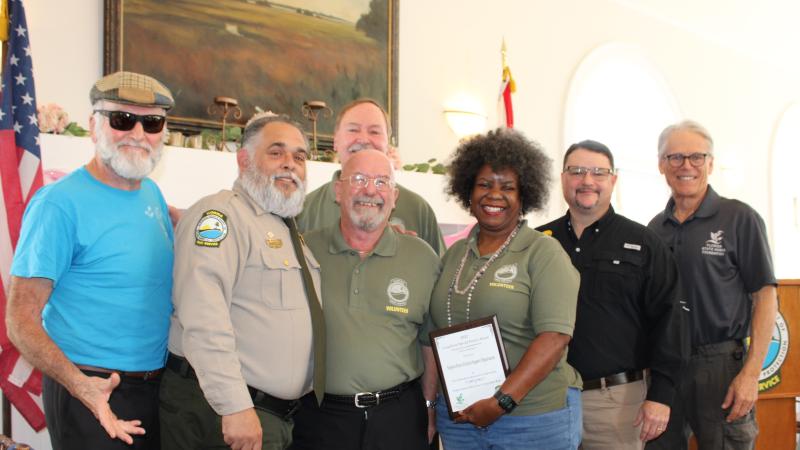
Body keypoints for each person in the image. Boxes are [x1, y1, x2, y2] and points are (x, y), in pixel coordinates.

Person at [6, 71, 175, 449]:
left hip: (152, 389)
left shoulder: (152, 195)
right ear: (93, 125)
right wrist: (83, 388)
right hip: (90, 389)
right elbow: (19, 320)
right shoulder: (59, 204)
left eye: (152, 122)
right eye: (122, 119)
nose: (137, 133)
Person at [160, 114, 324, 450]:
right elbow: (203, 318)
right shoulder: (221, 217)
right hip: (223, 414)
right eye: (276, 153)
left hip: (267, 415)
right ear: (243, 160)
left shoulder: (284, 228)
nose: (290, 165)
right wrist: (234, 405)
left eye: (299, 156)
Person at [428, 128, 582, 450]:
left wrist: (501, 402)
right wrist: (432, 406)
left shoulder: (543, 253)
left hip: (531, 421)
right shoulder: (454, 254)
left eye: (507, 187)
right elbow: (434, 335)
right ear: (467, 192)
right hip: (459, 421)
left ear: (523, 196)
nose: (494, 195)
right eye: (484, 184)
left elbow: (554, 338)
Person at [536, 140, 687, 449]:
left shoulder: (644, 243)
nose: (587, 181)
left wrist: (661, 395)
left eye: (598, 172)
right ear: (563, 178)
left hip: (615, 403)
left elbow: (670, 320)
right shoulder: (537, 243)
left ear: (613, 180)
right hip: (544, 398)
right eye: (576, 171)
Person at [290, 149, 441, 450]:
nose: (370, 190)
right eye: (358, 179)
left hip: (399, 418)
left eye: (382, 182)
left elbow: (429, 341)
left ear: (394, 196)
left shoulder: (422, 257)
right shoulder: (304, 251)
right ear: (338, 190)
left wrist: (428, 406)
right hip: (321, 418)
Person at [646, 120, 778, 450]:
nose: (686, 165)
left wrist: (750, 375)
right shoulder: (653, 230)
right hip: (666, 367)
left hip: (720, 365)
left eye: (696, 157)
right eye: (675, 157)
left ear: (710, 163)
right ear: (662, 165)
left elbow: (764, 297)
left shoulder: (738, 218)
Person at [296, 99, 445, 255]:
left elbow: (440, 273)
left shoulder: (418, 209)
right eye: (353, 130)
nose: (363, 139)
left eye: (374, 131)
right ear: (335, 141)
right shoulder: (306, 210)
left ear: (388, 144)